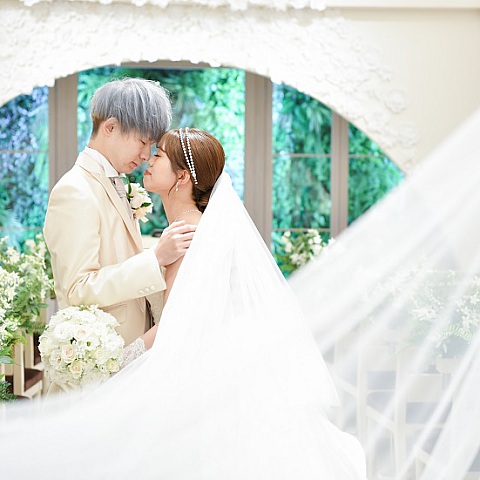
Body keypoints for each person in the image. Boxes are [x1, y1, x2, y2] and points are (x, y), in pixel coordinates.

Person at [0, 127, 367, 479]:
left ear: (182, 177)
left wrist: (116, 365)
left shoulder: (187, 233)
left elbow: (174, 326)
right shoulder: (188, 227)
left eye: (159, 155)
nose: (148, 158)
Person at [43, 79, 196, 364]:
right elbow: (78, 289)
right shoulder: (75, 190)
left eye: (151, 146)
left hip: (132, 354)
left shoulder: (114, 182)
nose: (146, 156)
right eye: (142, 142)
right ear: (111, 127)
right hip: (101, 362)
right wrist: (155, 258)